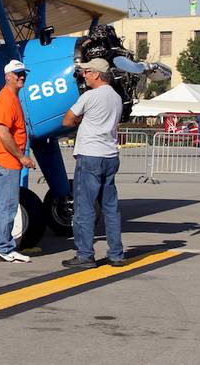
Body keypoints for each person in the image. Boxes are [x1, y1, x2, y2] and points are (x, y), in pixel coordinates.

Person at [61, 58, 124, 269]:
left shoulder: (90, 96)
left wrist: (81, 120)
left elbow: (67, 120)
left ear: (97, 74)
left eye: (87, 71)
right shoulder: (116, 97)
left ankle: (85, 254)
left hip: (90, 155)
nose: (84, 75)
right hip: (110, 155)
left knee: (84, 207)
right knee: (110, 207)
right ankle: (116, 254)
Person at [0, 59, 36, 263]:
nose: (22, 76)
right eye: (18, 73)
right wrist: (22, 156)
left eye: (24, 73)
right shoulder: (7, 98)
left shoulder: (8, 97)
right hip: (8, 161)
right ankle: (5, 247)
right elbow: (3, 133)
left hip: (4, 159)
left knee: (4, 203)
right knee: (9, 205)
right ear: (8, 77)